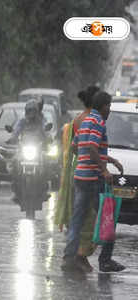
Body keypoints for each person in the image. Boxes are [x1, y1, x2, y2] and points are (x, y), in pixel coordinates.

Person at [61, 91, 125, 273]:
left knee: (77, 219)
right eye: (109, 106)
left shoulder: (86, 121)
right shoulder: (98, 122)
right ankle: (105, 260)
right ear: (103, 106)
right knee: (108, 217)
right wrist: (103, 170)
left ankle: (68, 258)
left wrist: (109, 160)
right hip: (93, 179)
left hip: (80, 177)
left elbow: (76, 147)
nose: (110, 110)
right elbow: (91, 147)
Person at [55, 85, 99, 272]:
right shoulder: (91, 120)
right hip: (87, 171)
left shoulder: (77, 119)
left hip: (76, 168)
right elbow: (91, 147)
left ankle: (72, 256)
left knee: (78, 214)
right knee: (88, 216)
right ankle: (79, 255)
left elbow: (73, 147)